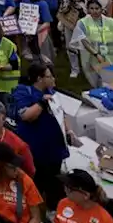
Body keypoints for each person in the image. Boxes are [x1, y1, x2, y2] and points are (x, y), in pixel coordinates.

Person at [8, 63, 68, 208]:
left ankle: (52, 208)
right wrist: (42, 103)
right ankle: (31, 208)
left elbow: (62, 114)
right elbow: (26, 116)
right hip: (35, 150)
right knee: (36, 181)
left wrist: (69, 131)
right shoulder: (23, 92)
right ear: (39, 79)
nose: (53, 78)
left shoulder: (53, 92)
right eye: (49, 76)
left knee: (55, 181)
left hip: (54, 149)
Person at [70, 0, 113, 87]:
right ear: (88, 9)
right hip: (93, 58)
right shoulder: (82, 23)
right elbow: (83, 41)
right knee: (98, 81)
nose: (94, 11)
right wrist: (96, 54)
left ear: (102, 9)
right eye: (91, 8)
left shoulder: (112, 22)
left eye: (97, 8)